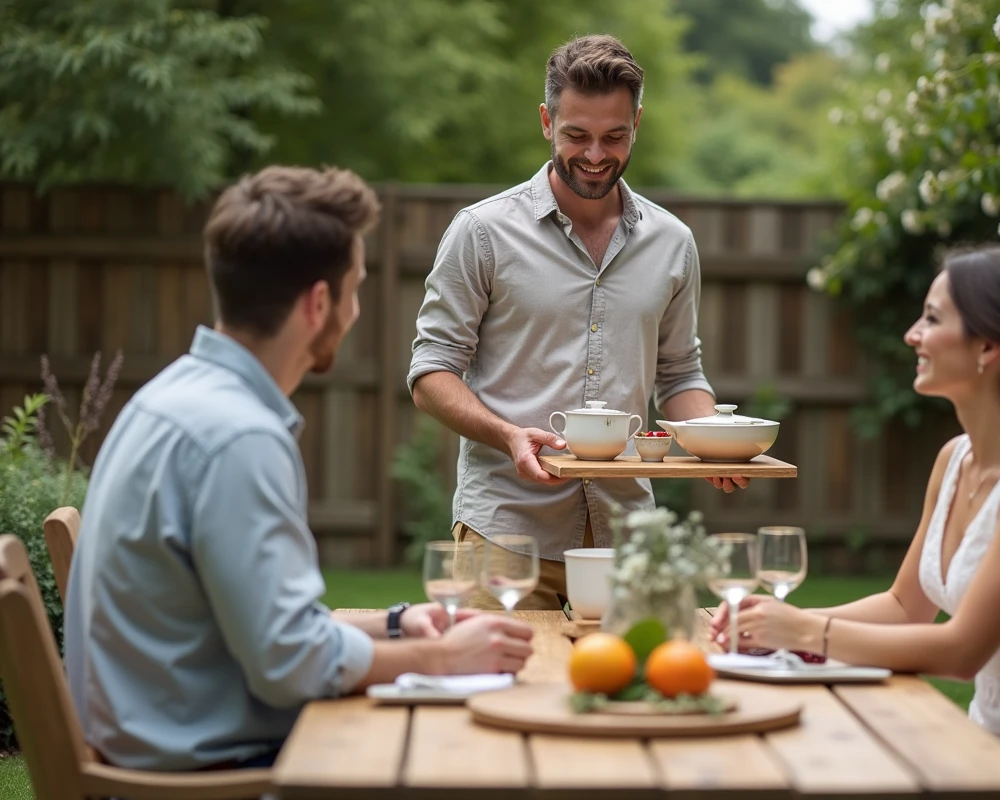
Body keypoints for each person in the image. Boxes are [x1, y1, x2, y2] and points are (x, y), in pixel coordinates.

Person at [63, 165, 534, 773]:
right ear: (319, 302)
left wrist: (394, 626)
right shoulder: (239, 439)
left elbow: (269, 630)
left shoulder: (168, 398)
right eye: (355, 288)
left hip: (169, 742)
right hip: (217, 774)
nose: (358, 309)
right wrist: (440, 658)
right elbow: (290, 665)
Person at [712, 245, 1000, 798]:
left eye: (933, 319)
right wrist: (772, 627)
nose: (912, 335)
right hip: (981, 752)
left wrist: (803, 633)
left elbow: (962, 652)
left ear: (988, 346)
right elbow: (904, 606)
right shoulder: (956, 458)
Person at [408, 34, 745, 611]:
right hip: (506, 538)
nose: (595, 154)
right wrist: (508, 434)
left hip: (628, 541)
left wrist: (715, 440)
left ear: (638, 122)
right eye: (576, 135)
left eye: (614, 136)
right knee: (498, 696)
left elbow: (680, 372)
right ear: (546, 121)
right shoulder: (482, 232)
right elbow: (430, 373)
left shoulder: (673, 243)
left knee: (633, 698)